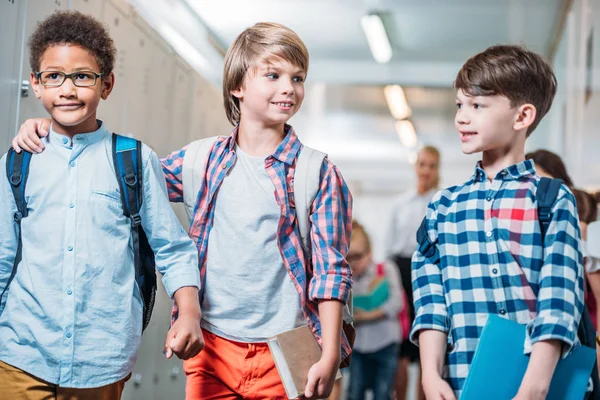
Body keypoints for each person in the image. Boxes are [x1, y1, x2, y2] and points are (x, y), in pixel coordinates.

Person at [14, 21, 353, 400]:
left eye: (298, 77)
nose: (288, 87)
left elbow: (331, 271)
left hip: (285, 349)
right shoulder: (201, 161)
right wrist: (57, 130)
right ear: (237, 86)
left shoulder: (317, 173)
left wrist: (328, 353)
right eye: (273, 75)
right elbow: (119, 176)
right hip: (213, 350)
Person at [0, 10, 203, 399]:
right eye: (53, 76)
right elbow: (4, 255)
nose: (68, 89)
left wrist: (189, 311)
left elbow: (172, 248)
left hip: (101, 358)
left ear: (106, 84)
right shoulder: (19, 161)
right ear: (36, 85)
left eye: (83, 76)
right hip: (21, 351)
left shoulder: (133, 160)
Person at [412, 44, 584, 400]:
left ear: (522, 117)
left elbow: (559, 299)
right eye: (460, 104)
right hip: (461, 382)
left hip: (542, 386)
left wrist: (533, 388)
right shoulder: (443, 206)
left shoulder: (550, 199)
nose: (461, 117)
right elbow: (431, 302)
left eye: (477, 105)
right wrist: (430, 375)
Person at [385, 145, 440, 400]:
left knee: (427, 344)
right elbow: (389, 248)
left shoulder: (441, 203)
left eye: (431, 165)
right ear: (415, 167)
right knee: (402, 348)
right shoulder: (400, 204)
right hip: (401, 272)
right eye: (422, 164)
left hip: (430, 271)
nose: (426, 170)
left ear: (437, 169)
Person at [347, 220, 403, 400]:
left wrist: (368, 315)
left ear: (369, 253)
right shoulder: (345, 280)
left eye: (357, 256)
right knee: (355, 392)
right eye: (348, 258)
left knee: (383, 392)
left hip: (385, 343)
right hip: (358, 348)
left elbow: (397, 302)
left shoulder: (386, 269)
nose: (353, 263)